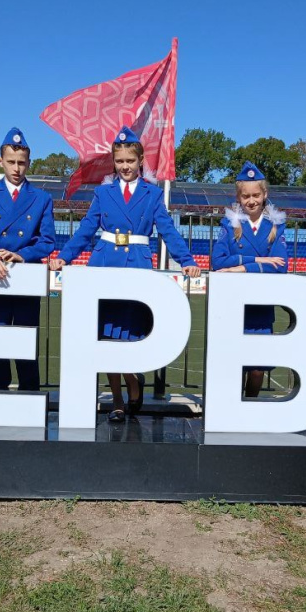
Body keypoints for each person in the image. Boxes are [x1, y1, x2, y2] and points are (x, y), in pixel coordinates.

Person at [49, 126, 201, 422]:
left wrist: (186, 260)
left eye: (130, 161)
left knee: (131, 335)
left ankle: (133, 379)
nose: (125, 166)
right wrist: (64, 257)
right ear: (113, 162)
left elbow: (168, 230)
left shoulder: (153, 194)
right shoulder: (103, 193)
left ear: (140, 161)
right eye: (119, 161)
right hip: (105, 264)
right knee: (106, 335)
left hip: (137, 267)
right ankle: (117, 398)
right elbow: (86, 229)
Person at [0, 127, 56, 391]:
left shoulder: (42, 198)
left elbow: (48, 241)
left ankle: (30, 394)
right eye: (11, 162)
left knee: (27, 337)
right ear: (0, 161)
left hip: (26, 275)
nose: (16, 168)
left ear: (28, 162)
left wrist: (22, 255)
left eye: (21, 162)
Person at [211, 161, 288, 398]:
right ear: (239, 197)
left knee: (257, 369)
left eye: (256, 195)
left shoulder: (277, 225)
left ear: (265, 195)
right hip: (234, 305)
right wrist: (258, 260)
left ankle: (250, 405)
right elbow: (218, 261)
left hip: (262, 305)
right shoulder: (229, 224)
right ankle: (232, 406)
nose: (251, 201)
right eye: (246, 196)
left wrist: (242, 268)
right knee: (233, 364)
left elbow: (281, 266)